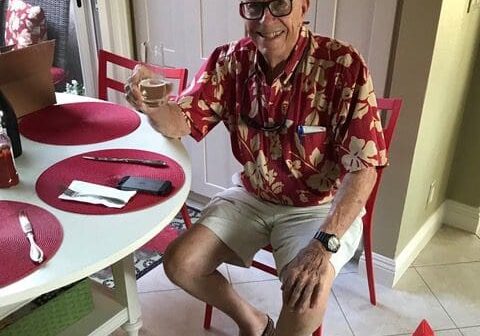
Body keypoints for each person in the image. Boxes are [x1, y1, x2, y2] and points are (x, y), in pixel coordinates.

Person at [125, 0, 386, 335]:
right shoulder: (230, 61)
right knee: (179, 263)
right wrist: (155, 103)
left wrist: (323, 244)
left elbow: (365, 167)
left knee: (305, 301)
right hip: (252, 194)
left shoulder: (342, 65)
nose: (266, 19)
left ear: (303, 6)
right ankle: (253, 321)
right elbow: (182, 120)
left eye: (279, 4)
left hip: (317, 207)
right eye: (254, 5)